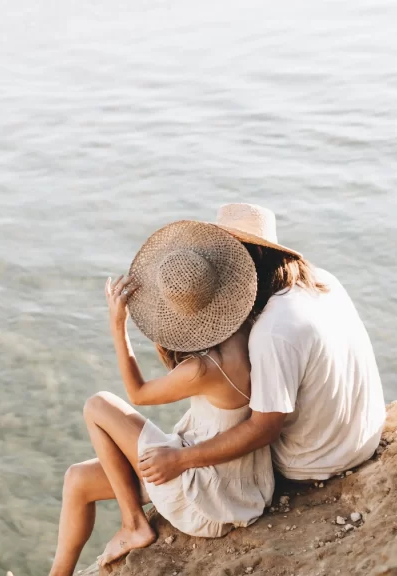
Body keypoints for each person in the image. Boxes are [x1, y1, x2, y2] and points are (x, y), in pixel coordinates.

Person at [49, 221, 274, 576]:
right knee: (77, 479)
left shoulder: (203, 368)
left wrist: (117, 324)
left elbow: (137, 393)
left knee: (97, 405)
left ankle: (133, 523)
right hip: (234, 482)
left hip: (203, 492)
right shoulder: (247, 326)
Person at [138, 203, 386, 485]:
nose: (220, 269)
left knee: (191, 442)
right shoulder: (322, 280)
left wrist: (181, 460)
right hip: (363, 437)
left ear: (253, 255)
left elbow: (264, 430)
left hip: (314, 462)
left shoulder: (272, 330)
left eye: (227, 258)